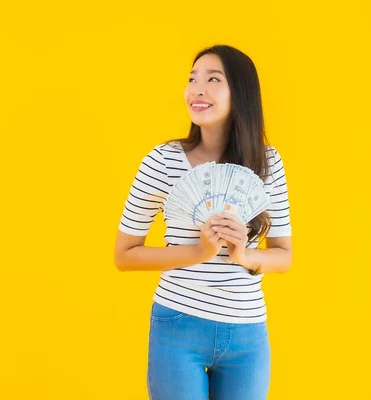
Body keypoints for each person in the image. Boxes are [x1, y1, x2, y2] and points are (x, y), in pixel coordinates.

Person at [113, 44, 293, 400]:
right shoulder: (161, 161)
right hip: (178, 326)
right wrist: (198, 251)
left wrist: (245, 255)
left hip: (247, 333)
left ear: (240, 93)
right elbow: (125, 255)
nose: (197, 89)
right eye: (192, 79)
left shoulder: (268, 163)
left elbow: (283, 257)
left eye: (213, 79)